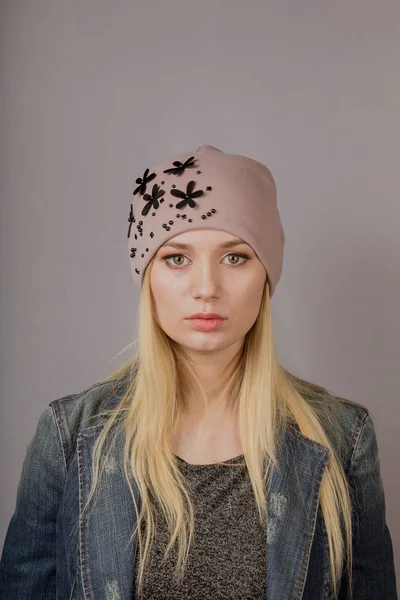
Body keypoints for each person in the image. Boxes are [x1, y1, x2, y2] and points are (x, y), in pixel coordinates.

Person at [0, 144, 397, 599]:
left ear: (267, 275)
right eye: (176, 258)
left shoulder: (342, 437)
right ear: (147, 275)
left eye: (235, 257)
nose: (206, 288)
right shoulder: (69, 435)